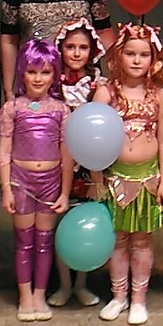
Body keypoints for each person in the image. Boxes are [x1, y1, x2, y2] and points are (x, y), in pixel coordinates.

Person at [92, 23, 163, 326]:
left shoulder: (159, 96)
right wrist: (97, 179)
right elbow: (91, 137)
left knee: (142, 241)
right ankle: (118, 296)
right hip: (114, 179)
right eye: (130, 53)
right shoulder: (105, 93)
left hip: (148, 180)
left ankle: (139, 299)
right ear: (118, 56)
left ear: (154, 59)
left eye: (144, 54)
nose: (137, 60)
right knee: (117, 240)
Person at [0, 39, 72, 322]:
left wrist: (64, 193)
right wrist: (6, 188)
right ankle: (25, 295)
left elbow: (67, 156)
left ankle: (40, 295)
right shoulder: (12, 108)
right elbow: (4, 152)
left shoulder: (61, 110)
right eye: (32, 72)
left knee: (44, 241)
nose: (38, 78)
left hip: (51, 182)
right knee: (24, 241)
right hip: (21, 181)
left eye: (45, 72)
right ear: (22, 72)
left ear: (55, 74)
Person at [46, 18, 105, 309]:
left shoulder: (98, 86)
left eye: (83, 47)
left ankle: (81, 283)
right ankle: (64, 284)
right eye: (70, 47)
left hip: (88, 167)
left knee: (83, 221)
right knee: (60, 224)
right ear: (60, 49)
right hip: (56, 164)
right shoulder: (50, 83)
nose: (77, 53)